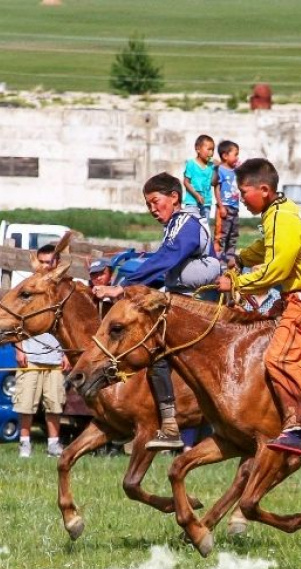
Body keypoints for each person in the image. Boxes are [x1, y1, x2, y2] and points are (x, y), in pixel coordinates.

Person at [216, 158, 301, 456]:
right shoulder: (278, 212)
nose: (240, 199)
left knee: (278, 358)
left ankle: (295, 429)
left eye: (244, 193)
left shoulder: (280, 218)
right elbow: (269, 249)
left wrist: (238, 283)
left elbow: (276, 269)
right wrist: (243, 258)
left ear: (264, 189)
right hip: (299, 295)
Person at [94, 172, 222, 451]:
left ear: (174, 197)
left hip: (198, 309)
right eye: (148, 204)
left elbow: (167, 259)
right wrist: (126, 290)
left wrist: (125, 286)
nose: (152, 209)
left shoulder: (186, 222)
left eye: (155, 201)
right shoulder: (174, 226)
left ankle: (170, 424)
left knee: (154, 349)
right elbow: (162, 271)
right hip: (187, 306)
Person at [14, 245, 69, 458]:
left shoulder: (62, 288)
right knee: (26, 403)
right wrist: (19, 349)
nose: (47, 266)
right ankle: (25, 444)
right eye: (43, 261)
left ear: (58, 263)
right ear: (36, 262)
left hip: (55, 357)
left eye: (51, 262)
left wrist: (66, 353)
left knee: (54, 403)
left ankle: (53, 444)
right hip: (30, 354)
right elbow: (15, 320)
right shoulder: (27, 288)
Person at [213, 140, 241, 263]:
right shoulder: (220, 170)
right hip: (224, 207)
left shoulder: (235, 171)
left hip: (235, 207)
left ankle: (230, 258)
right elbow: (217, 189)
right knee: (221, 235)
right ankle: (218, 259)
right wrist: (221, 206)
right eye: (235, 154)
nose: (237, 157)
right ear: (225, 156)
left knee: (233, 234)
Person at [182, 134, 217, 226]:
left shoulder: (211, 166)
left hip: (206, 203)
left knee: (204, 228)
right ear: (198, 149)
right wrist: (196, 195)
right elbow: (186, 182)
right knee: (191, 227)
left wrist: (217, 169)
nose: (211, 153)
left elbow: (213, 182)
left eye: (213, 150)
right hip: (192, 203)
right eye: (208, 149)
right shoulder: (191, 164)